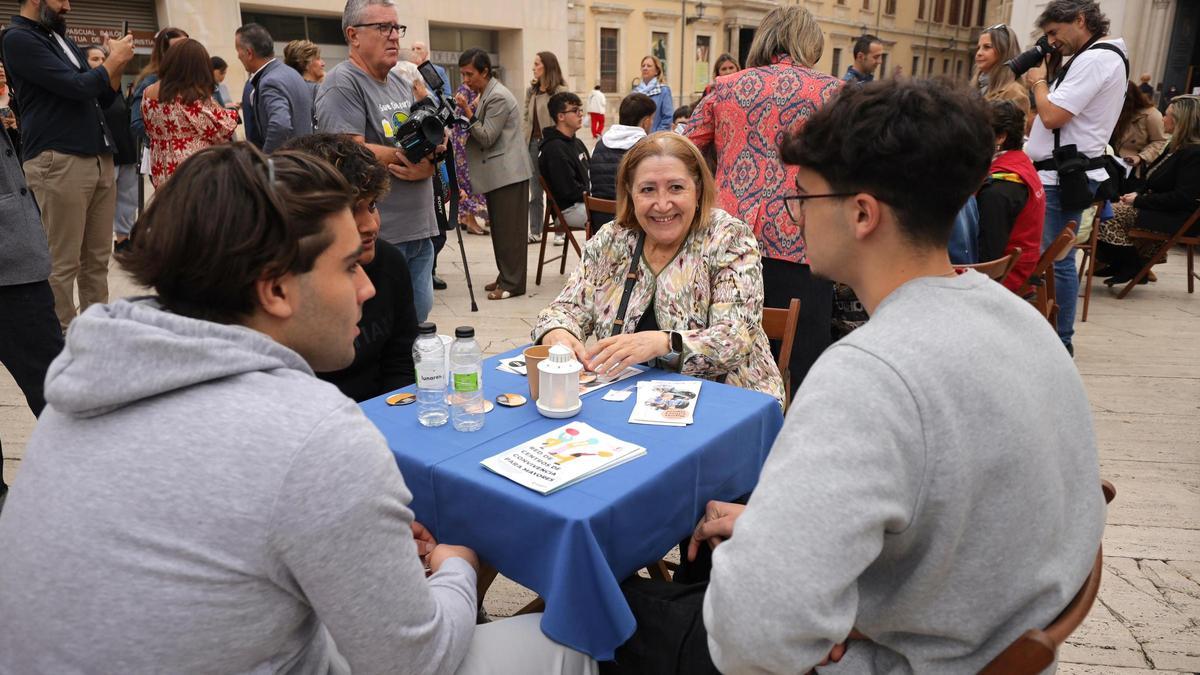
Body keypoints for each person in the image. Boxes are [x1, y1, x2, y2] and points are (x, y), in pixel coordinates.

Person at [0, 142, 596, 675]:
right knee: (578, 640)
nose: (367, 287)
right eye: (347, 268)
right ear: (276, 289)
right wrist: (459, 563)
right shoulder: (310, 431)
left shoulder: (86, 384)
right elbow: (416, 659)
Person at [608, 77, 1103, 675]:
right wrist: (774, 525)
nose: (793, 220)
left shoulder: (866, 374)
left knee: (598, 611)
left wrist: (840, 613)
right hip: (972, 628)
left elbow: (752, 639)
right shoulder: (1023, 322)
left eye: (803, 200)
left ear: (862, 213)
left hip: (895, 656)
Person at [533, 132, 785, 406]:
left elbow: (735, 338)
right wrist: (558, 332)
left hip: (729, 402)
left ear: (698, 189)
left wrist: (665, 343)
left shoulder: (728, 238)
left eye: (676, 188)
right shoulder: (613, 239)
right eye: (648, 189)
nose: (662, 204)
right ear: (630, 192)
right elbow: (566, 308)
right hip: (630, 401)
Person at [685, 5, 842, 394]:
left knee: (724, 358)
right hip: (804, 241)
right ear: (810, 42)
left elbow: (681, 151)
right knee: (803, 367)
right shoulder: (833, 92)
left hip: (728, 242)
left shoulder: (725, 87)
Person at [1, 0, 135, 330]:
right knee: (62, 264)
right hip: (59, 160)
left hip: (99, 156)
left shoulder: (61, 38)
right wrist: (113, 60)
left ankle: (95, 334)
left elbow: (101, 97)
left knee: (96, 262)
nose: (68, 6)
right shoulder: (17, 38)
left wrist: (113, 68)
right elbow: (77, 88)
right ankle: (61, 344)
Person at [316, 0, 440, 322]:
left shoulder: (401, 81)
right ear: (353, 35)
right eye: (382, 27)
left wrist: (431, 159)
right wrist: (412, 155)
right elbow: (348, 152)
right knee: (383, 329)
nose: (394, 37)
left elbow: (432, 134)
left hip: (419, 230)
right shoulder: (341, 84)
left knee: (417, 322)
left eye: (396, 28)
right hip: (379, 238)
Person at [1023, 0, 1127, 354]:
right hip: (1057, 174)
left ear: (1080, 20)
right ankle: (1053, 339)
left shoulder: (1097, 58)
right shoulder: (1093, 57)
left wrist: (1039, 82)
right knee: (1056, 259)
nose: (1052, 42)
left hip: (1059, 178)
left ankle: (1058, 342)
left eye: (1055, 32)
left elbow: (1052, 115)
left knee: (1055, 260)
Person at [283, 133, 418, 401]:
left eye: (373, 206)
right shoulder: (291, 286)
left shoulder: (390, 265)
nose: (370, 225)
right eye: (353, 209)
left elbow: (401, 364)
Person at [0, 99, 63, 515]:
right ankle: (84, 478)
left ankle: (79, 477)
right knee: (53, 386)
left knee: (52, 384)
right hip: (11, 267)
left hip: (16, 265)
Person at [455, 47, 533, 301]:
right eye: (463, 75)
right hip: (500, 174)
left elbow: (487, 136)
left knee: (510, 232)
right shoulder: (487, 93)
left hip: (509, 174)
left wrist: (468, 112)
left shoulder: (497, 96)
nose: (465, 81)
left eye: (469, 75)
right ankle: (505, 276)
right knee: (500, 229)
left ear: (485, 71)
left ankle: (513, 284)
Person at [1098, 95, 1200, 285]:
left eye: (1168, 115)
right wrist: (1136, 194)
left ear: (1181, 121)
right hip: (1162, 208)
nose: (1162, 119)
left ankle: (1133, 267)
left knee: (1107, 217)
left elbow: (1182, 198)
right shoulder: (1175, 146)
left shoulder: (1194, 154)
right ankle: (1123, 263)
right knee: (1105, 210)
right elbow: (1153, 178)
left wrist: (1139, 201)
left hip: (1177, 216)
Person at [142, 39, 239, 187]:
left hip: (161, 164)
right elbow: (220, 127)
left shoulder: (147, 92)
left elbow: (149, 128)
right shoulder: (191, 95)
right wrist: (233, 112)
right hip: (193, 166)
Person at [977, 100, 1045, 292]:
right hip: (1022, 268)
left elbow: (988, 258)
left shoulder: (1000, 186)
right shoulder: (1021, 164)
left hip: (1006, 279)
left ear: (1000, 138)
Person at [83, 45, 138, 253]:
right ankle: (98, 244)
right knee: (103, 204)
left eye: (102, 58)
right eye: (94, 59)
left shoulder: (113, 88)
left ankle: (123, 239)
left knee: (128, 200)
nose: (100, 62)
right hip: (104, 155)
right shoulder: (86, 91)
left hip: (126, 152)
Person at [236, 23, 315, 153]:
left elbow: (280, 125)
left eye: (238, 51)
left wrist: (267, 160)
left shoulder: (269, 81)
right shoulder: (291, 73)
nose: (238, 56)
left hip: (286, 166)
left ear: (249, 53)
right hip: (304, 161)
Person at [524, 50, 568, 242]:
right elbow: (526, 118)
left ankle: (559, 230)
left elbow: (564, 119)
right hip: (533, 144)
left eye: (537, 64)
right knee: (535, 190)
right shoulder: (531, 91)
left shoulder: (559, 91)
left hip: (552, 145)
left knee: (555, 188)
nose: (533, 68)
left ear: (547, 67)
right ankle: (535, 231)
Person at [538, 91, 591, 239]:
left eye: (580, 110)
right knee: (615, 217)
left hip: (584, 202)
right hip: (568, 210)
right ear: (561, 116)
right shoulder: (553, 149)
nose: (581, 114)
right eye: (575, 111)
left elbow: (590, 174)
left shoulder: (577, 142)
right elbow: (568, 190)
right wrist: (595, 197)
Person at [589, 92, 655, 201]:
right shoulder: (647, 148)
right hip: (631, 216)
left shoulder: (599, 144)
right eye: (652, 119)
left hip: (599, 215)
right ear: (646, 122)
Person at [129, 27, 188, 145]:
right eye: (177, 48)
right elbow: (137, 123)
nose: (185, 52)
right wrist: (172, 134)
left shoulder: (192, 77)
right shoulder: (150, 81)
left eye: (187, 46)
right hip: (163, 155)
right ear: (164, 53)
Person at [451, 80, 490, 236]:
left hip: (470, 140)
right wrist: (473, 104)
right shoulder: (465, 90)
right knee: (468, 180)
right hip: (464, 141)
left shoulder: (479, 89)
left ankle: (466, 219)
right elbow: (459, 116)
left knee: (470, 180)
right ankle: (469, 220)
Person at [972, 23, 1032, 117]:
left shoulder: (1014, 93)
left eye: (987, 47)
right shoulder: (975, 87)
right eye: (978, 48)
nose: (979, 53)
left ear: (1004, 52)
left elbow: (1015, 130)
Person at [1111, 81, 1167, 175]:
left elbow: (1159, 141)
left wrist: (1140, 157)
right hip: (1110, 161)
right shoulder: (1116, 109)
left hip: (1131, 167)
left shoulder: (1151, 115)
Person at [634, 55, 674, 132]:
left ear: (656, 71)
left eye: (649, 66)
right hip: (637, 137)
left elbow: (668, 118)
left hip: (655, 138)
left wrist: (656, 136)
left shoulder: (663, 90)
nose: (645, 68)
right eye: (643, 66)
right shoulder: (635, 92)